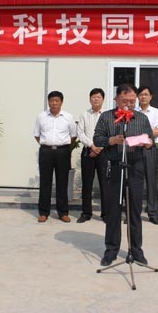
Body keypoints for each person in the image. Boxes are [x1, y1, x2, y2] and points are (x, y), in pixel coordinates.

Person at [93, 83, 154, 266]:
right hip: (114, 167)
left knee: (134, 210)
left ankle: (136, 250)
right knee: (113, 211)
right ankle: (111, 249)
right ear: (117, 99)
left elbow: (150, 139)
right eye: (125, 101)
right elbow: (97, 139)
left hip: (135, 167)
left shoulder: (141, 118)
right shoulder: (106, 117)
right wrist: (112, 140)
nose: (129, 104)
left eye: (132, 101)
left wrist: (147, 143)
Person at [33, 91, 77, 223]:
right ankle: (43, 212)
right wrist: (47, 144)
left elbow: (73, 135)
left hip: (62, 152)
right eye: (52, 100)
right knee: (45, 182)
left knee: (62, 182)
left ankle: (63, 212)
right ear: (48, 102)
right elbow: (37, 135)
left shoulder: (68, 117)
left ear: (61, 102)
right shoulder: (41, 116)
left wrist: (62, 147)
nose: (54, 103)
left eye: (57, 100)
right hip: (46, 151)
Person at [76, 88, 107, 223]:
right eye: (93, 97)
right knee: (87, 184)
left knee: (104, 184)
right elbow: (80, 133)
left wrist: (99, 148)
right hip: (88, 152)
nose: (96, 99)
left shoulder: (106, 115)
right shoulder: (84, 115)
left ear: (103, 99)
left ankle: (105, 214)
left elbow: (109, 133)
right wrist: (92, 146)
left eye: (98, 97)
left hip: (103, 153)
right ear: (90, 99)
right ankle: (86, 213)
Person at [135, 85, 158, 225]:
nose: (143, 97)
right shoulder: (133, 112)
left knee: (151, 181)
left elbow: (157, 131)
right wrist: (145, 137)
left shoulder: (156, 112)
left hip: (150, 149)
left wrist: (145, 138)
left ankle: (152, 213)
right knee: (135, 182)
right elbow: (132, 131)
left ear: (150, 97)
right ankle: (134, 213)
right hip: (135, 149)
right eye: (141, 94)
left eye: (146, 94)